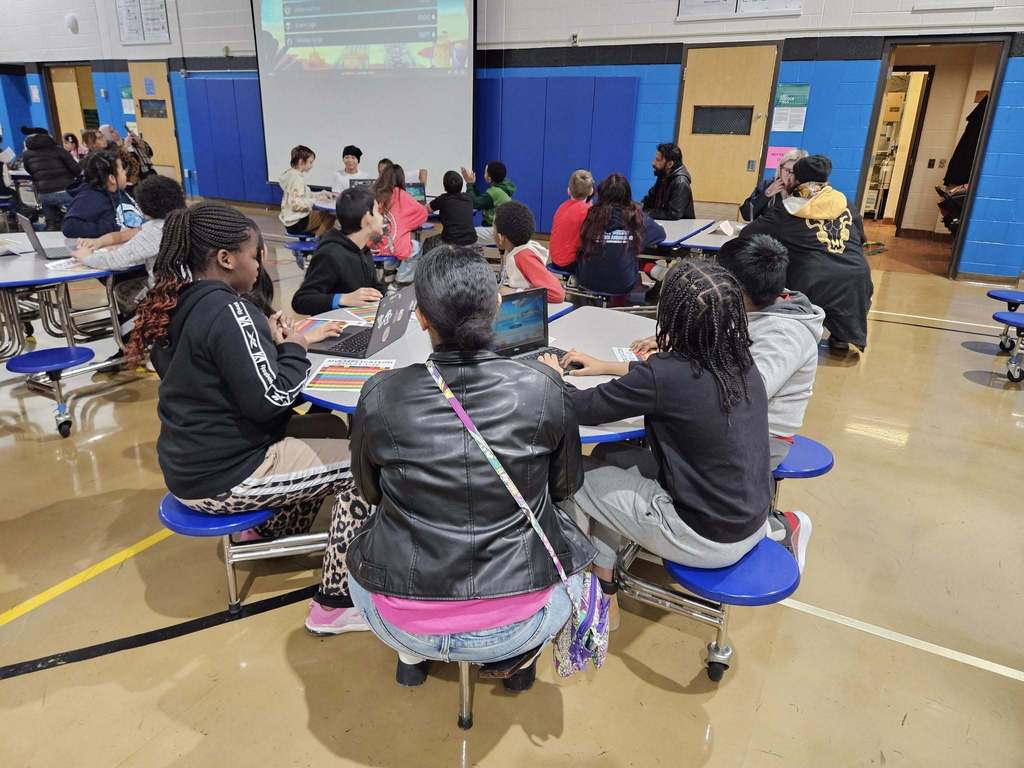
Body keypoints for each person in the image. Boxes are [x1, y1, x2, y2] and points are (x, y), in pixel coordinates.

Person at [336, 245, 596, 686]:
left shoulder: (380, 394)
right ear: (496, 306)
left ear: (421, 317)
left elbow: (370, 492)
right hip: (520, 616)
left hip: (400, 615)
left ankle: (412, 660)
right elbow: (565, 486)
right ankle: (519, 662)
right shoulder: (544, 388)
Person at [540, 261, 813, 625]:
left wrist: (554, 376)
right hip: (751, 520)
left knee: (574, 475)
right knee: (610, 454)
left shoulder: (667, 374)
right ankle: (606, 580)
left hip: (704, 539)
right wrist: (604, 365)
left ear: (671, 314)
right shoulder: (739, 359)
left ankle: (589, 593)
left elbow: (580, 407)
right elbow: (663, 379)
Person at [127, 201, 364, 557]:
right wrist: (294, 346)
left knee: (327, 425)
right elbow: (273, 401)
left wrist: (263, 343)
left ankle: (270, 533)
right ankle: (334, 602)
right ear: (226, 258)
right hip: (226, 479)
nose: (262, 265)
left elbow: (211, 374)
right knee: (364, 464)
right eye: (255, 256)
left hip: (189, 467)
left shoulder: (177, 303)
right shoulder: (231, 310)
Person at [740, 155, 873, 353]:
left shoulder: (788, 209)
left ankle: (800, 333)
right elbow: (861, 238)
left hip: (812, 279)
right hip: (857, 277)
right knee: (842, 278)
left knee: (793, 270)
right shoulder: (846, 204)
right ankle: (841, 336)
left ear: (796, 180)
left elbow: (748, 234)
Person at [71, 175, 187, 315]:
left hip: (168, 296)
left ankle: (132, 329)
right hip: (192, 290)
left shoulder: (154, 230)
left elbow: (115, 260)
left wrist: (86, 257)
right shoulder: (186, 220)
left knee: (123, 290)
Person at [291, 186, 386, 316]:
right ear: (367, 219)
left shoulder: (363, 249)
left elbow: (374, 286)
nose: (382, 218)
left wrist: (390, 300)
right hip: (334, 329)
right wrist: (343, 299)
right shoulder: (330, 254)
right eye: (378, 212)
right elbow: (301, 301)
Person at [576, 173, 666, 296]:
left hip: (586, 281)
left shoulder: (592, 215)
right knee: (631, 257)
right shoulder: (637, 218)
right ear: (627, 195)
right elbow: (660, 234)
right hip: (622, 284)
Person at [493, 201, 565, 303]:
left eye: (493, 228)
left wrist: (514, 293)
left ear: (500, 238)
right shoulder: (518, 251)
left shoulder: (523, 256)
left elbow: (557, 294)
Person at [369, 163, 429, 284]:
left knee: (391, 241)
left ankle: (389, 273)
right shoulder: (402, 195)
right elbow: (423, 214)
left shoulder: (373, 193)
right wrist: (407, 224)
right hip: (394, 248)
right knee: (415, 246)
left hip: (373, 246)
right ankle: (402, 280)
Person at [62, 150, 142, 238]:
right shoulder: (89, 198)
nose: (125, 172)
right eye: (122, 169)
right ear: (112, 178)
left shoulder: (119, 191)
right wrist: (112, 228)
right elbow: (70, 227)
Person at [21, 129, 81, 231]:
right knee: (81, 201)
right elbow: (77, 170)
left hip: (44, 195)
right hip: (65, 192)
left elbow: (29, 171)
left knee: (47, 202)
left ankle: (51, 225)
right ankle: (75, 226)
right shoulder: (59, 150)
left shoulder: (26, 154)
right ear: (48, 138)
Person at [278, 145, 335, 237]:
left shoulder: (291, 174)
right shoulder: (297, 179)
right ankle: (317, 242)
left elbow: (305, 195)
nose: (312, 166)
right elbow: (296, 204)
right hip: (297, 223)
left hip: (290, 222)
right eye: (310, 162)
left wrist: (322, 193)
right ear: (301, 162)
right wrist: (317, 201)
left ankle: (316, 239)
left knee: (322, 222)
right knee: (331, 215)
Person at [740, 149, 807, 223]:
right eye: (787, 170)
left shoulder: (807, 190)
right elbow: (746, 215)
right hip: (766, 232)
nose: (790, 175)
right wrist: (765, 195)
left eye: (795, 172)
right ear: (780, 168)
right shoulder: (767, 184)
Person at [462, 160, 515, 246]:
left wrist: (469, 184)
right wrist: (472, 185)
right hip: (504, 229)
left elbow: (475, 203)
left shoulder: (494, 192)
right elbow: (482, 200)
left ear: (489, 178)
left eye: (485, 172)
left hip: (498, 231)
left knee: (464, 235)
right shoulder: (503, 187)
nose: (484, 174)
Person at [549, 169, 594, 269]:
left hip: (555, 260)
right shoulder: (588, 211)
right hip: (571, 264)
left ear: (568, 190)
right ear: (591, 191)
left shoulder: (561, 207)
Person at [422, 170, 476, 252]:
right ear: (461, 185)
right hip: (471, 239)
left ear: (445, 186)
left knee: (428, 242)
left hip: (451, 241)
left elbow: (427, 209)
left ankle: (430, 264)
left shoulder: (443, 199)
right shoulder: (468, 198)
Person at [641, 143, 694, 221]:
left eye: (658, 160)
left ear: (670, 164)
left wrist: (646, 213)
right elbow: (648, 200)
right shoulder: (663, 176)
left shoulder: (681, 182)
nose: (653, 163)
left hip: (679, 229)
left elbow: (673, 214)